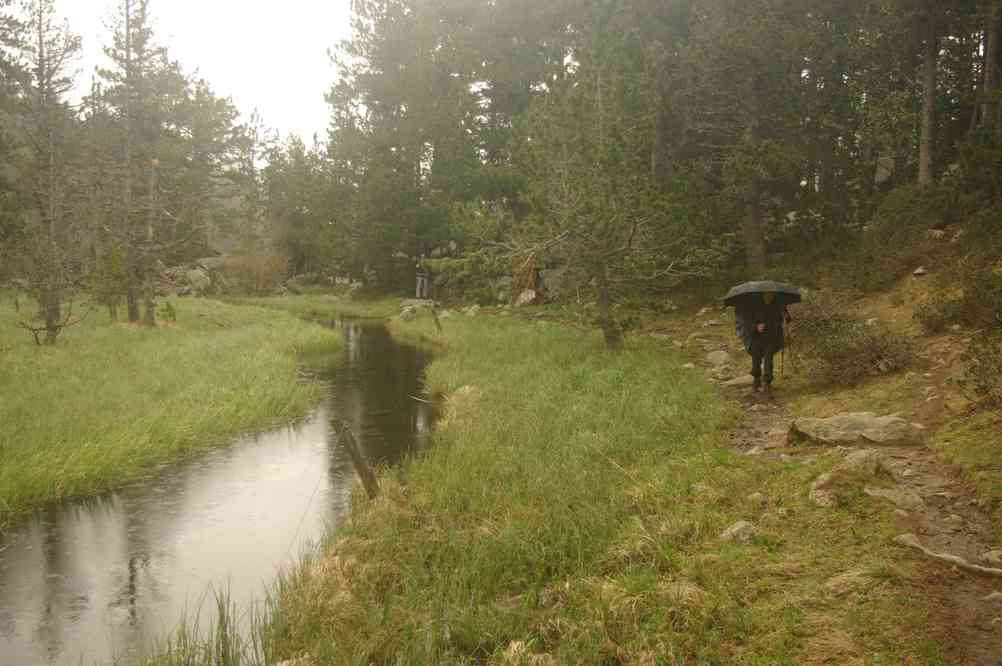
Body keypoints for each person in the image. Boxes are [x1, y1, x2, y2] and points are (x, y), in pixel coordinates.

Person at [736, 292, 791, 395]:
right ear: (763, 294)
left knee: (768, 359)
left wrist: (786, 316)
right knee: (756, 359)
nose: (770, 296)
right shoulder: (753, 304)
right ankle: (756, 380)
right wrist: (756, 327)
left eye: (772, 295)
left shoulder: (779, 304)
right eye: (768, 294)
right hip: (756, 338)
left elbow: (787, 318)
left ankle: (767, 383)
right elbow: (746, 321)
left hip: (772, 336)